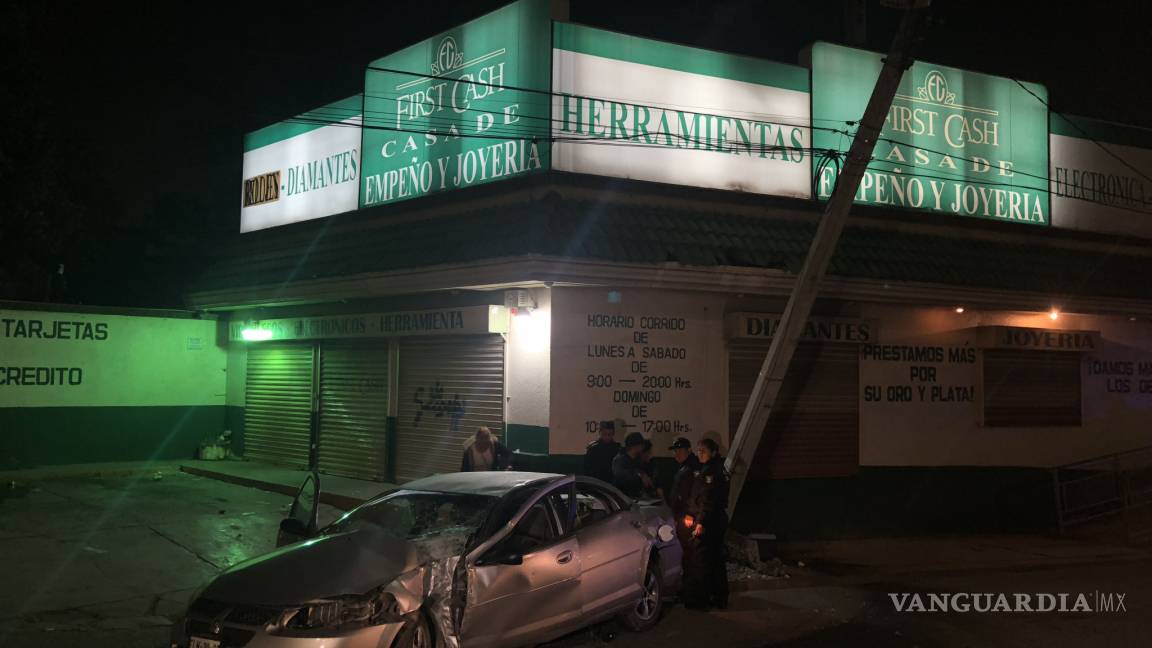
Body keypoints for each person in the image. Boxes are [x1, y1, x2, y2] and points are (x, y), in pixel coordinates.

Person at [682, 437, 730, 610]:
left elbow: (708, 500)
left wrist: (700, 522)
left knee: (702, 560)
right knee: (715, 559)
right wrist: (689, 513)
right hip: (712, 520)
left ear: (713, 452)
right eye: (699, 450)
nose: (699, 453)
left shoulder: (712, 472)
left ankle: (702, 600)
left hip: (710, 522)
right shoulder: (710, 469)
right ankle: (719, 598)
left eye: (703, 450)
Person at [611, 432, 653, 498]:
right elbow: (622, 476)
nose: (643, 447)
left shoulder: (638, 459)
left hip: (635, 497)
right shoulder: (619, 460)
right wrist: (640, 475)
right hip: (622, 497)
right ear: (636, 446)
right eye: (641, 445)